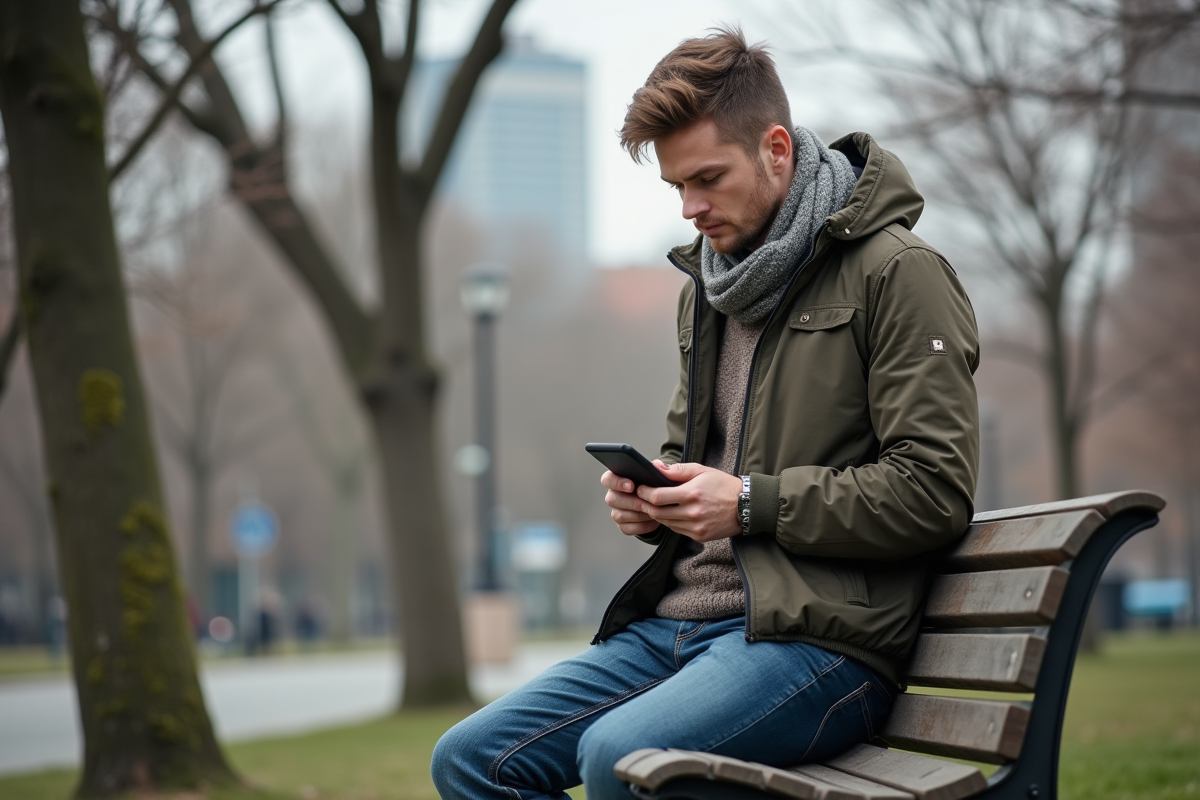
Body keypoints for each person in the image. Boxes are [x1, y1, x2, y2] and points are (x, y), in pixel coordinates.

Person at [432, 27, 979, 800]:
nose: (691, 208)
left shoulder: (898, 273)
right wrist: (655, 501)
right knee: (470, 758)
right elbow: (699, 457)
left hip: (817, 645)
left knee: (619, 757)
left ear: (778, 150)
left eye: (709, 179)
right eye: (676, 187)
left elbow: (934, 492)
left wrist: (751, 503)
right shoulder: (710, 292)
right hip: (678, 624)